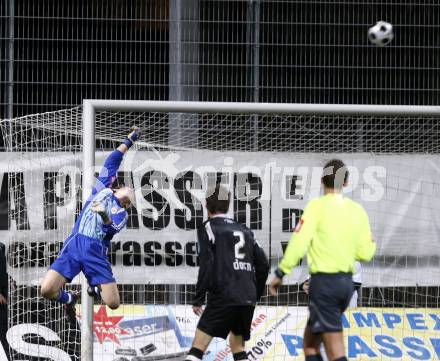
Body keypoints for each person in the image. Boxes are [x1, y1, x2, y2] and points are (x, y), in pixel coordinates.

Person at [269, 159, 376, 361]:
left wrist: (280, 273)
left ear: (321, 180)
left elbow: (298, 243)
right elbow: (366, 253)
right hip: (347, 284)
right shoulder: (357, 211)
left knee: (335, 352)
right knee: (310, 345)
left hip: (325, 284)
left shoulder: (316, 207)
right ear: (345, 182)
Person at [41, 127, 140, 321]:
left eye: (132, 193)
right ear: (118, 188)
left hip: (95, 252)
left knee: (113, 303)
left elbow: (110, 228)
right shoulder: (102, 189)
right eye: (128, 187)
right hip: (76, 244)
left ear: (127, 204)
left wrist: (103, 213)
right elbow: (113, 161)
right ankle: (70, 299)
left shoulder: (121, 214)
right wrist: (128, 142)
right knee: (47, 290)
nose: (129, 188)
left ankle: (94, 286)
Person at [187, 185, 270, 361]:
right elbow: (263, 264)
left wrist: (199, 298)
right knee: (238, 349)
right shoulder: (245, 230)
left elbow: (207, 263)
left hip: (224, 296)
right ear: (228, 204)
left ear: (206, 204)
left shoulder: (209, 227)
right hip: (246, 299)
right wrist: (255, 294)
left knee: (197, 350)